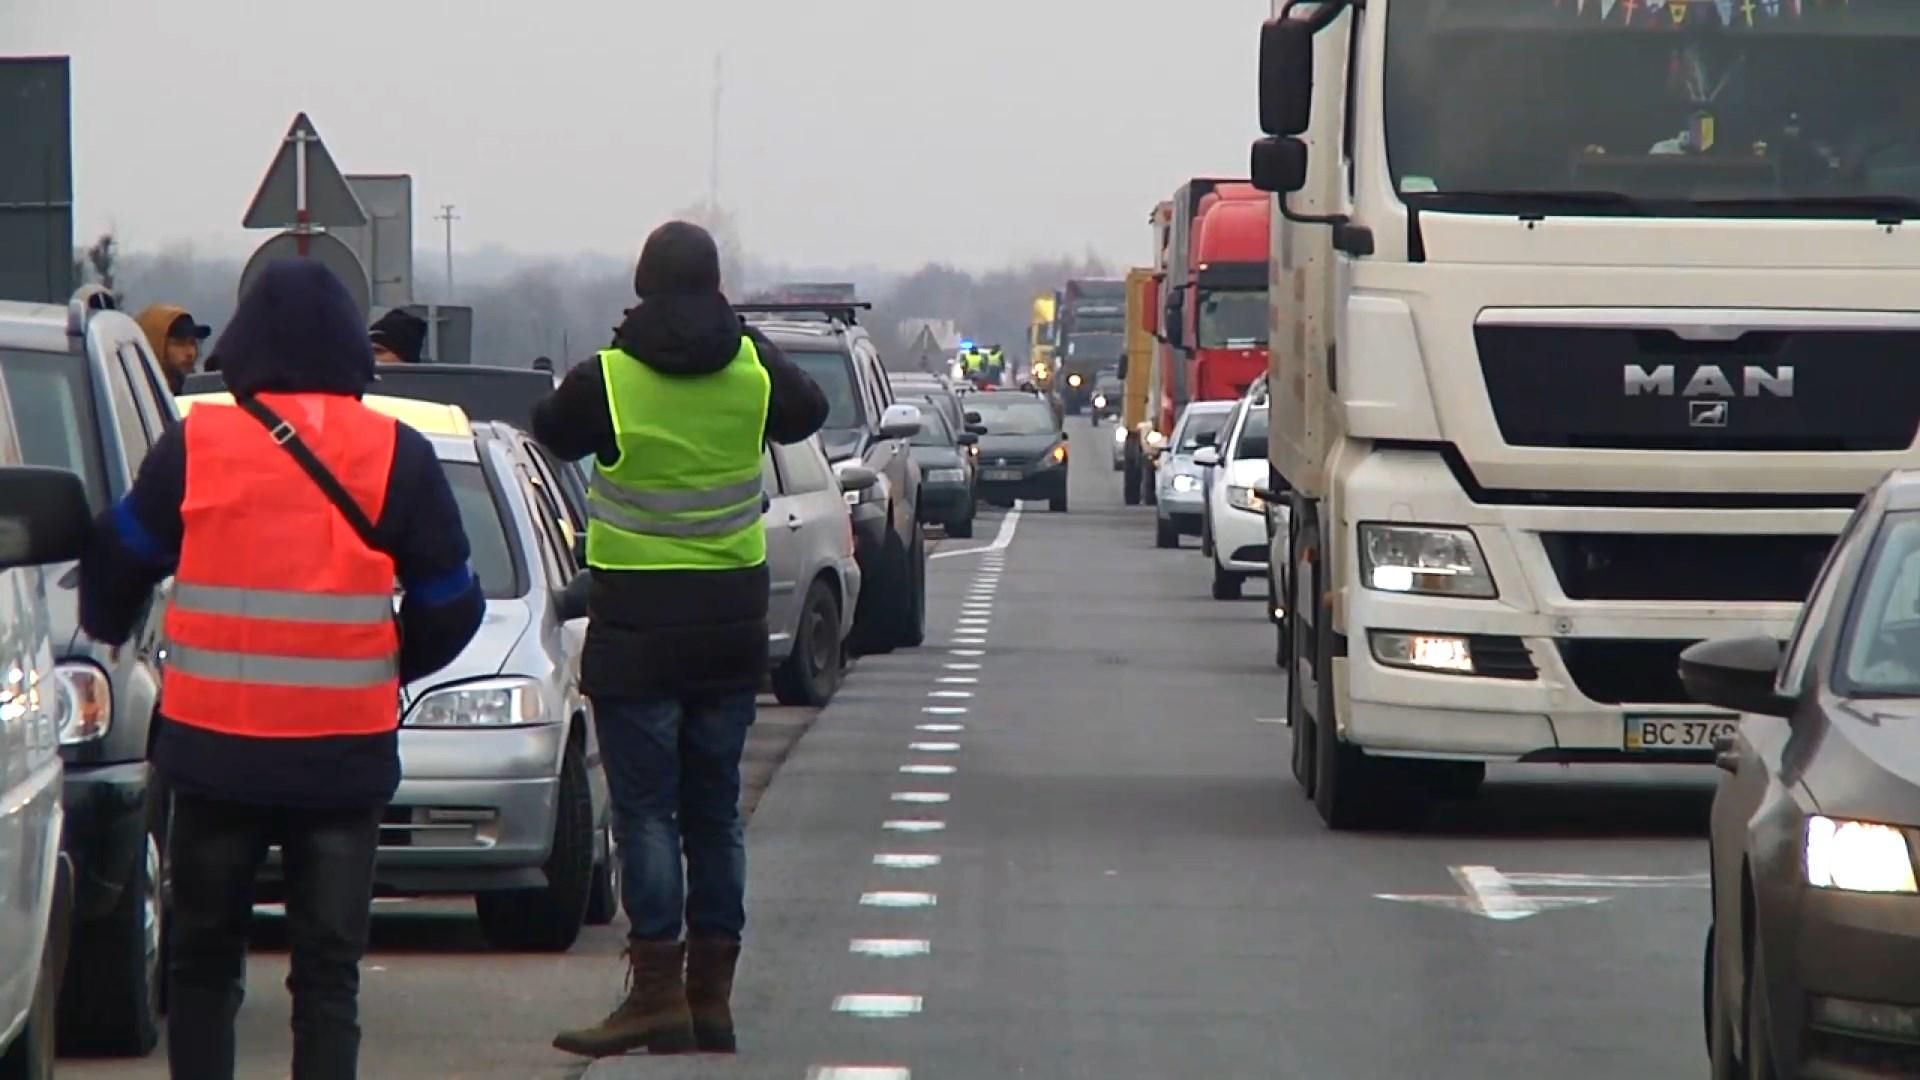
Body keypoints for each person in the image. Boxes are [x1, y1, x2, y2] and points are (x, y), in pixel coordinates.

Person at [79, 259, 486, 1080]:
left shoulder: (198, 445)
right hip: (341, 761)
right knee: (328, 977)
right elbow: (455, 601)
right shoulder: (395, 454)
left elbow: (118, 562)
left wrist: (111, 630)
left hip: (212, 755)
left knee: (201, 965)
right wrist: (388, 663)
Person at [531, 220, 827, 1060]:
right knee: (714, 813)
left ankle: (657, 990)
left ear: (644, 283)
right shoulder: (751, 370)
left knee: (648, 813)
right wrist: (750, 341)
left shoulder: (612, 378)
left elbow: (549, 429)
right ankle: (712, 999)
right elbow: (812, 410)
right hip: (730, 628)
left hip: (637, 629)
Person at [136, 304, 212, 393]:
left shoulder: (203, 394)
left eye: (192, 343)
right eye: (179, 344)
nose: (190, 352)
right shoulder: (135, 398)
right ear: (154, 346)